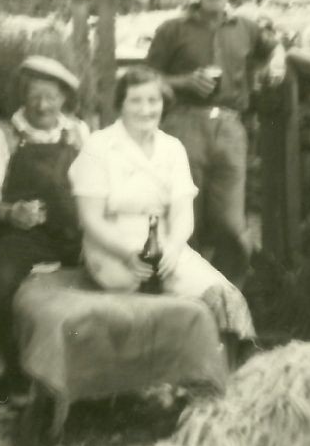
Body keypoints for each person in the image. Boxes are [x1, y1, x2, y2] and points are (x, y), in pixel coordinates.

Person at [69, 65, 256, 358]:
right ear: (120, 105)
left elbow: (183, 213)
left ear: (164, 104)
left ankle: (223, 380)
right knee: (152, 297)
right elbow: (90, 219)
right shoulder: (99, 146)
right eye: (136, 101)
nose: (146, 110)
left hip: (164, 245)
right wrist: (128, 253)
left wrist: (173, 247)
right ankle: (158, 381)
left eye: (153, 101)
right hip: (112, 246)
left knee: (224, 297)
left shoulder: (172, 148)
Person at [146, 0, 285, 286]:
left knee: (230, 223)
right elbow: (145, 77)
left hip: (231, 128)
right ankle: (184, 297)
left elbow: (274, 46)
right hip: (183, 124)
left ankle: (228, 297)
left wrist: (277, 61)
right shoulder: (172, 29)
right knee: (183, 217)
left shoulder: (247, 28)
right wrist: (183, 82)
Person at [0, 56, 88, 390]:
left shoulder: (78, 133)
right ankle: (16, 368)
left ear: (64, 98)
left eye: (51, 96)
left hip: (76, 234)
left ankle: (91, 372)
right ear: (23, 95)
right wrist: (11, 212)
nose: (42, 105)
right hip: (27, 237)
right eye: (34, 95)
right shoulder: (5, 134)